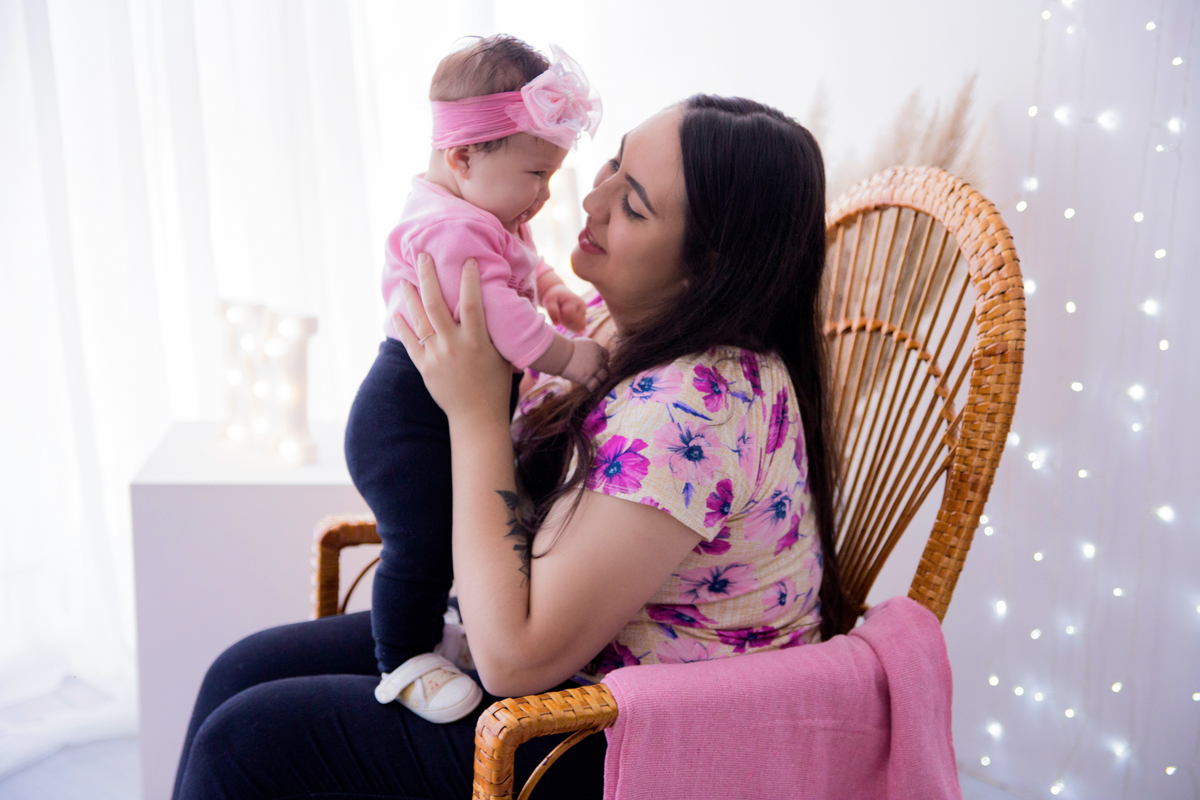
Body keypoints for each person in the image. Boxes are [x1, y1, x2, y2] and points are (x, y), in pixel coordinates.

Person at [172, 94, 855, 800]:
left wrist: (475, 415)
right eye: (614, 164)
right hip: (552, 652)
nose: (591, 200)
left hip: (633, 739)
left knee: (246, 743)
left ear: (706, 268)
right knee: (238, 673)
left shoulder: (695, 411)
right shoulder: (612, 322)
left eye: (632, 205)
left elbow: (512, 661)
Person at [343, 35, 608, 723]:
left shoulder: (478, 211)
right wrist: (569, 357)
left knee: (443, 533)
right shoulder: (448, 229)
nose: (543, 196)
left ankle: (434, 635)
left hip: (434, 405)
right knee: (422, 540)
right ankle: (402, 659)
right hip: (404, 415)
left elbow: (517, 260)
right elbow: (497, 316)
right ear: (463, 157)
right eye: (535, 175)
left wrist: (550, 285)